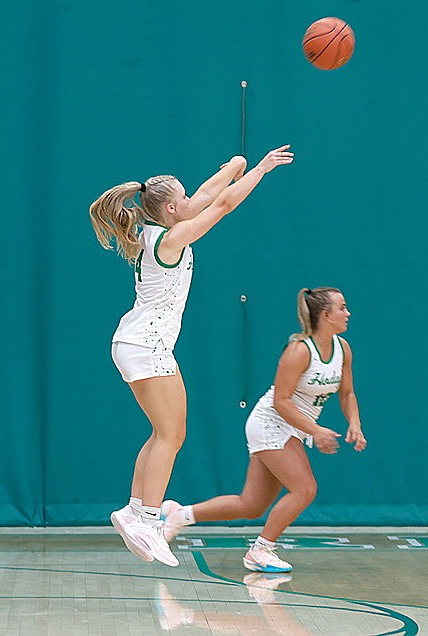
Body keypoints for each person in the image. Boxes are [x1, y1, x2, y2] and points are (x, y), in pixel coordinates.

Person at [89, 145, 294, 567]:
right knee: (172, 435)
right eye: (181, 200)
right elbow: (220, 204)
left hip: (136, 343)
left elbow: (205, 195)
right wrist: (258, 170)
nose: (188, 202)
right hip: (147, 344)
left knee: (161, 432)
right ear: (169, 210)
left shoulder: (158, 229)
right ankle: (148, 519)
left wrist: (231, 168)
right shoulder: (173, 238)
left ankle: (133, 509)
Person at [161, 287, 367, 573]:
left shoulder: (343, 349)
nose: (348, 313)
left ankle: (178, 514)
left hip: (295, 426)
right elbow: (281, 402)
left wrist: (354, 423)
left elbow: (347, 394)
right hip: (272, 422)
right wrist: (315, 430)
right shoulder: (299, 350)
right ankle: (261, 550)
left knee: (251, 504)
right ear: (325, 314)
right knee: (305, 488)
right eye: (342, 307)